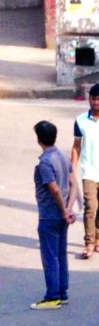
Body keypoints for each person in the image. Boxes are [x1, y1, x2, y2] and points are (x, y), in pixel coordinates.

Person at [30, 120, 74, 310]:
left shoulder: (45, 163)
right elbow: (73, 184)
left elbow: (54, 190)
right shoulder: (63, 156)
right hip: (62, 215)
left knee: (50, 257)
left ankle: (52, 297)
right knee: (60, 254)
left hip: (50, 214)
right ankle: (62, 292)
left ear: (39, 139)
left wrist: (63, 211)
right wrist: (69, 208)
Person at [71, 82, 99, 260]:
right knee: (90, 208)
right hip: (89, 172)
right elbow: (76, 147)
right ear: (89, 100)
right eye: (94, 99)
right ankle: (89, 243)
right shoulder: (80, 121)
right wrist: (71, 169)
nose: (96, 102)